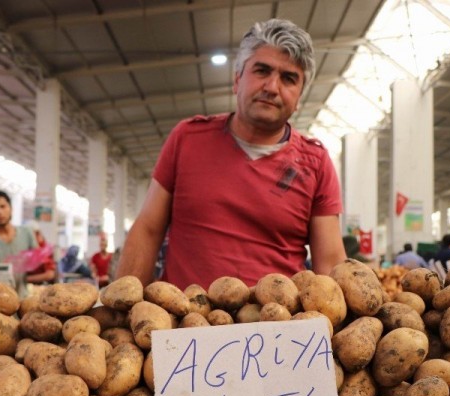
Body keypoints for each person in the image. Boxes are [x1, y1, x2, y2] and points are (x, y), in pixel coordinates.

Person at [116, 19, 346, 289]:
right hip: (186, 321)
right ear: (237, 80)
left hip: (277, 326)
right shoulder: (187, 138)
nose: (272, 87)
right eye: (262, 71)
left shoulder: (315, 163)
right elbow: (148, 229)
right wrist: (120, 308)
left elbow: (329, 262)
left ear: (298, 99)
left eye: (289, 78)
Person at [0, 191, 55, 284]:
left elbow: (38, 261)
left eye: (3, 206)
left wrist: (24, 261)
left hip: (23, 297)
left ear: (11, 208)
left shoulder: (27, 233)